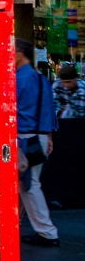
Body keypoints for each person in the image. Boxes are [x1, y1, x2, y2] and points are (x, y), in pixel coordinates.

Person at [16, 41, 59, 246]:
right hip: (40, 137)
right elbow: (49, 109)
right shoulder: (42, 79)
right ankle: (19, 224)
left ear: (19, 54)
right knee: (25, 184)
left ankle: (47, 232)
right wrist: (49, 136)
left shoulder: (17, 79)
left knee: (30, 185)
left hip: (24, 138)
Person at [46, 62, 85, 209]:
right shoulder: (57, 86)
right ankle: (61, 197)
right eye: (64, 82)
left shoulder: (83, 89)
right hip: (62, 130)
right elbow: (52, 107)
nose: (67, 85)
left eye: (69, 82)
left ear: (76, 79)